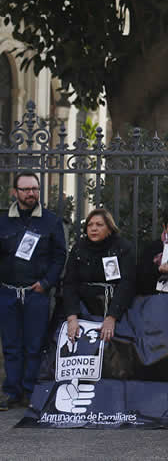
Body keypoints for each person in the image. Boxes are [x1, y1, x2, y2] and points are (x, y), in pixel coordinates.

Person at [0, 173, 67, 411]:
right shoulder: (3, 221)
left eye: (35, 189)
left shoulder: (51, 221)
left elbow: (60, 256)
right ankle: (12, 392)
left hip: (36, 294)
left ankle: (30, 392)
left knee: (34, 344)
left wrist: (46, 283)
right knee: (11, 345)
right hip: (7, 294)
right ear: (14, 192)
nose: (31, 194)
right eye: (26, 189)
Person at [62, 208, 136, 346]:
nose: (93, 228)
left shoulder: (123, 247)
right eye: (90, 225)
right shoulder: (78, 248)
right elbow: (69, 283)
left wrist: (112, 317)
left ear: (109, 228)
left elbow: (127, 283)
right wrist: (72, 317)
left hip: (115, 309)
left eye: (99, 225)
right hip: (83, 308)